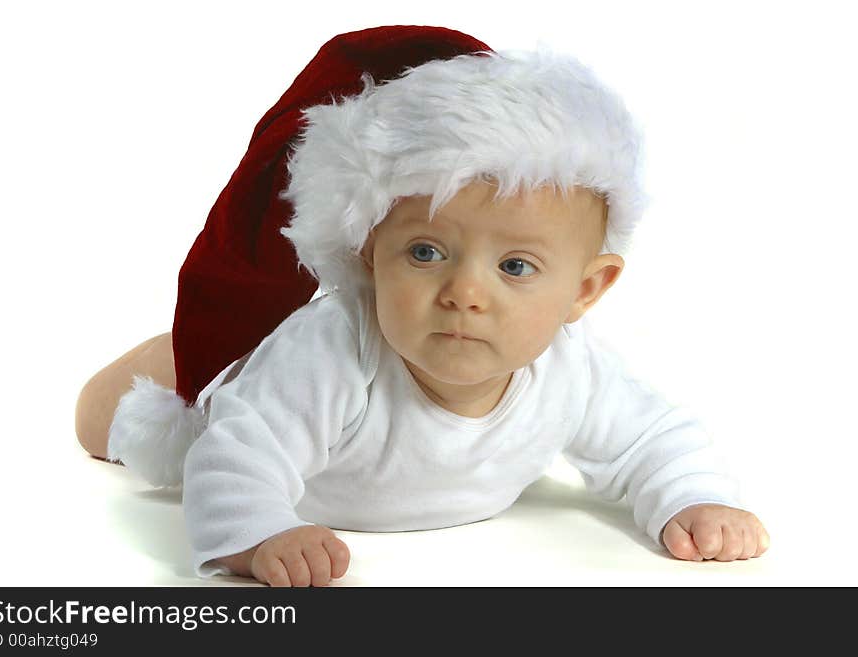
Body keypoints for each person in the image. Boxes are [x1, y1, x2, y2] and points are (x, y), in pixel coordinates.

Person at [75, 25, 770, 587]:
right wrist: (257, 534)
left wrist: (695, 498)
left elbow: (651, 438)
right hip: (241, 393)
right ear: (368, 254)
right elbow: (237, 453)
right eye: (426, 253)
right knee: (103, 420)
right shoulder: (332, 352)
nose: (466, 292)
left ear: (584, 291)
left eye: (516, 266)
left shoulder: (571, 367)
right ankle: (189, 351)